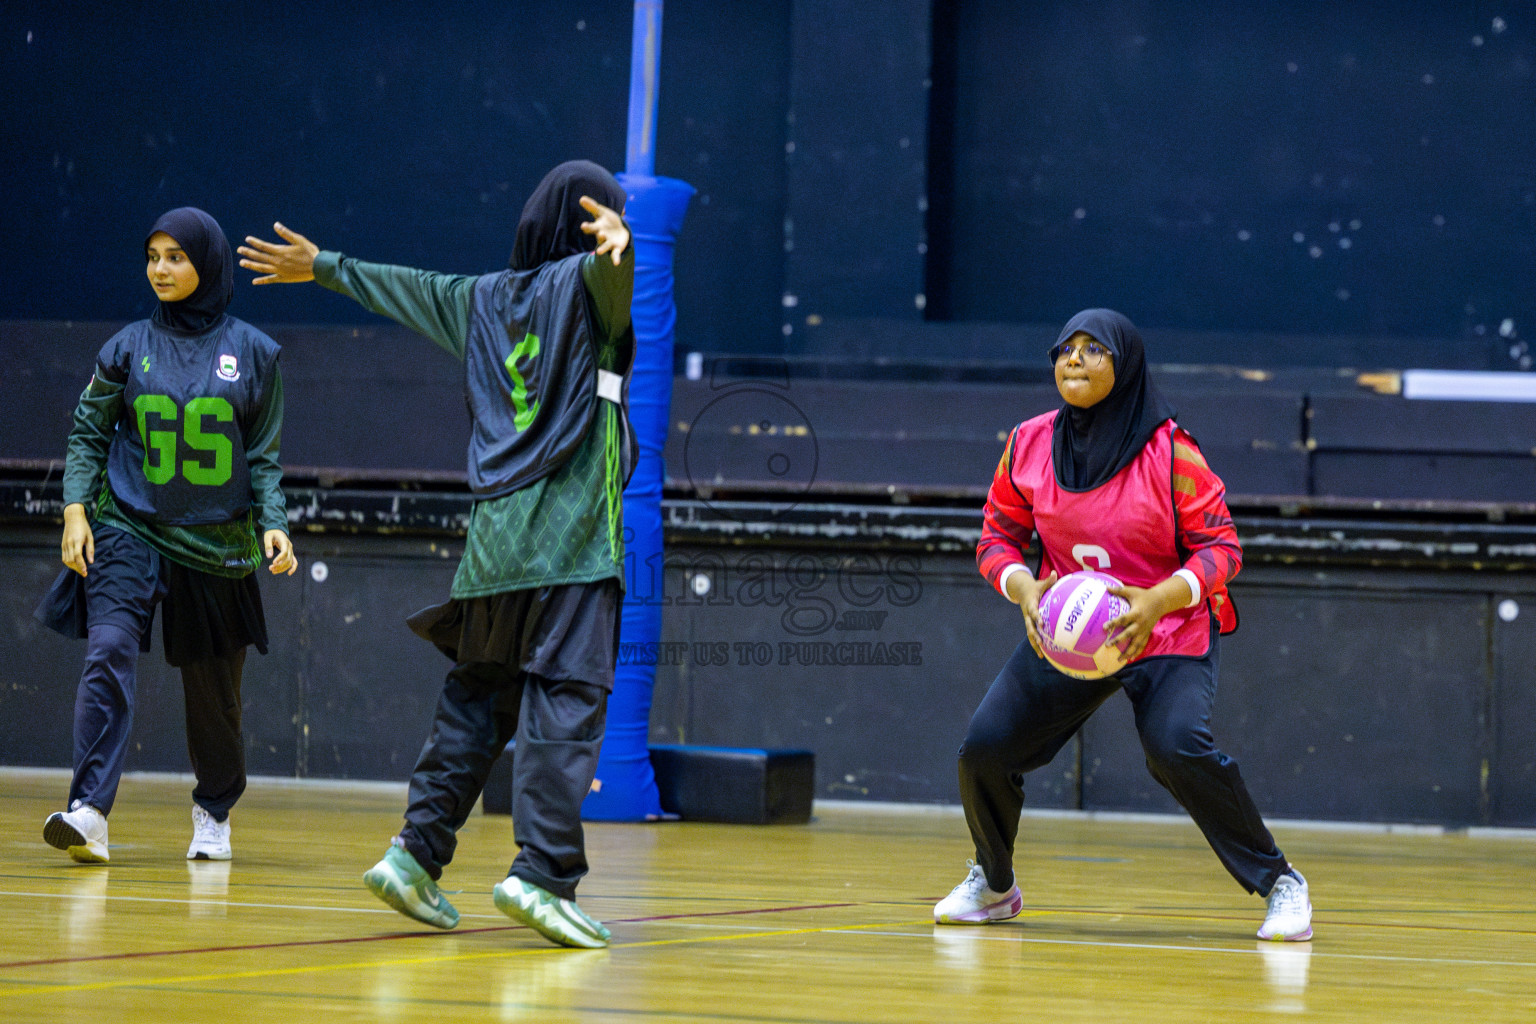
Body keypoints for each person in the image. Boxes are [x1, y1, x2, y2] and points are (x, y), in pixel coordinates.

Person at [237, 160, 635, 949]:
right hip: (574, 541)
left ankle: (413, 858)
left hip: (492, 547)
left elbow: (401, 284)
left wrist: (321, 266)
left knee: (476, 702)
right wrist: (618, 253)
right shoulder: (592, 289)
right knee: (567, 699)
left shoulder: (477, 298)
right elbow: (613, 288)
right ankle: (543, 876)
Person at [934, 308, 1312, 942]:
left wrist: (1159, 600)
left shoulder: (1172, 453)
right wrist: (1025, 587)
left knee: (1176, 747)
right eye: (1065, 350)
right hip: (1070, 633)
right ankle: (995, 883)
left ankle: (1280, 883)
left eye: (1093, 350)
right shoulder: (1027, 442)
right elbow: (997, 536)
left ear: (1127, 365)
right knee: (986, 749)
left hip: (1166, 630)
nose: (1074, 359)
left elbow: (1222, 550)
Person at [36, 206, 297, 865]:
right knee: (109, 650)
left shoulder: (256, 354)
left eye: (175, 257)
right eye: (152, 257)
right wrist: (76, 510)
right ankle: (89, 811)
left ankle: (213, 810)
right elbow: (89, 434)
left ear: (205, 264)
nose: (160, 268)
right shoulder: (125, 348)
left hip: (216, 544)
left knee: (215, 699)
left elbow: (263, 456)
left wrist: (274, 524)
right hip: (129, 524)